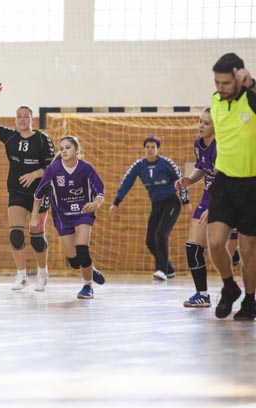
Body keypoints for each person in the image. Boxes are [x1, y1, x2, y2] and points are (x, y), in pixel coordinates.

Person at [0, 83, 55, 292]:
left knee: (36, 236)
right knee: (16, 234)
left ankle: (42, 273)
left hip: (39, 193)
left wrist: (35, 173)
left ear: (32, 120)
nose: (22, 120)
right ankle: (21, 276)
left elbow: (52, 168)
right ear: (15, 120)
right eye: (19, 116)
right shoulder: (10, 136)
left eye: (26, 116)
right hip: (16, 192)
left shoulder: (42, 139)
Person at [207, 52, 256, 321]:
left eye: (225, 83)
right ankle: (229, 287)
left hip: (252, 183)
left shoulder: (251, 98)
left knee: (248, 251)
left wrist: (252, 85)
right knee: (215, 242)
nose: (220, 88)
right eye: (217, 82)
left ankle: (250, 300)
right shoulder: (216, 101)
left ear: (238, 77)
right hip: (225, 182)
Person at [174, 109, 240, 308]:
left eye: (206, 123)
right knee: (193, 247)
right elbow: (201, 167)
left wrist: (215, 208)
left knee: (227, 255)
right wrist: (189, 180)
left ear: (216, 127)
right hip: (207, 199)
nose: (201, 126)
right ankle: (202, 295)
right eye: (200, 121)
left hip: (227, 200)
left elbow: (228, 181)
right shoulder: (198, 144)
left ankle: (241, 287)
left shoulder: (223, 148)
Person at [30, 135, 106, 299]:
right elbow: (38, 194)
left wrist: (95, 203)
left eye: (68, 147)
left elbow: (100, 191)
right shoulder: (53, 170)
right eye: (61, 148)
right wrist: (34, 215)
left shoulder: (86, 169)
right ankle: (89, 269)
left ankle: (87, 286)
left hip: (83, 214)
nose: (64, 151)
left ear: (77, 150)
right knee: (74, 261)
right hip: (62, 217)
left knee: (82, 250)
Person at [109, 136, 189, 281]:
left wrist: (185, 200)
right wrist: (116, 203)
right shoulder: (139, 165)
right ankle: (169, 269)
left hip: (171, 203)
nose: (150, 150)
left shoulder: (166, 163)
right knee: (150, 240)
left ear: (158, 149)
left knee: (161, 234)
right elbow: (127, 182)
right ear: (144, 149)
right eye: (147, 147)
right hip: (156, 205)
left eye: (153, 147)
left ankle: (161, 270)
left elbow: (180, 179)